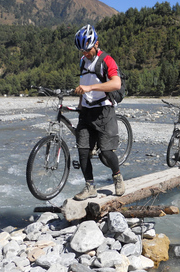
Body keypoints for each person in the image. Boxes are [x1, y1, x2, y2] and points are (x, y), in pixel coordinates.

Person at [72, 24, 125, 201]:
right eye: (82, 50)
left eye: (87, 50)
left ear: (96, 44)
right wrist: (80, 104)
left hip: (104, 110)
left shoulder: (106, 60)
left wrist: (90, 87)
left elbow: (116, 84)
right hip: (87, 111)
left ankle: (117, 176)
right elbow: (83, 83)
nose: (85, 53)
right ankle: (90, 186)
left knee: (106, 152)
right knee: (83, 151)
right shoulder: (82, 61)